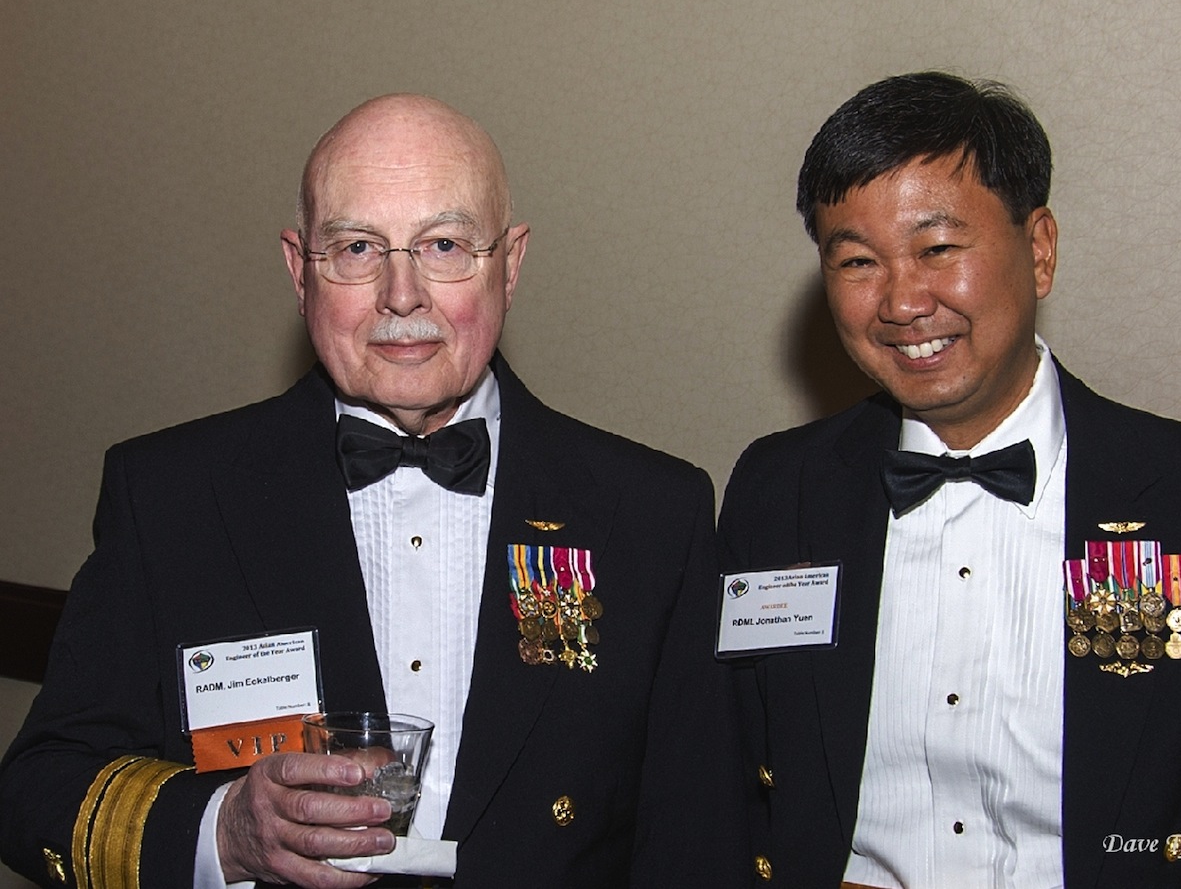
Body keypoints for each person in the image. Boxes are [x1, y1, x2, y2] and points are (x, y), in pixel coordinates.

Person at [0, 94, 746, 888]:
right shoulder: (173, 497)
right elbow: (36, 789)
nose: (402, 294)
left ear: (510, 264)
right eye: (357, 247)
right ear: (300, 270)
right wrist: (225, 828)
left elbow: (698, 844)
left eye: (445, 244)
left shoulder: (651, 516)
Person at [716, 70, 1181, 887]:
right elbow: (722, 770)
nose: (901, 301)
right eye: (859, 260)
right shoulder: (777, 489)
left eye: (938, 249)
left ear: (1038, 249)